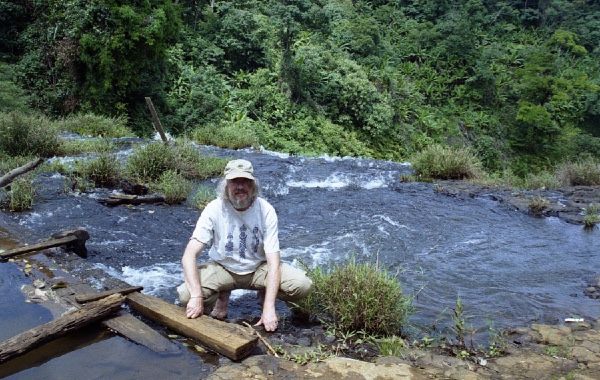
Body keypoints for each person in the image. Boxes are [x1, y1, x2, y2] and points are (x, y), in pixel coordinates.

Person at [177, 159, 312, 332]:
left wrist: (269, 307)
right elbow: (189, 255)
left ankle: (264, 295)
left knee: (302, 285)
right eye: (234, 182)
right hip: (223, 268)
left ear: (253, 184)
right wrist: (196, 296)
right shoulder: (213, 209)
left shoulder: (266, 210)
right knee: (185, 295)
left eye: (245, 181)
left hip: (258, 269)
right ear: (226, 185)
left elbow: (273, 262)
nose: (240, 187)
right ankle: (222, 296)